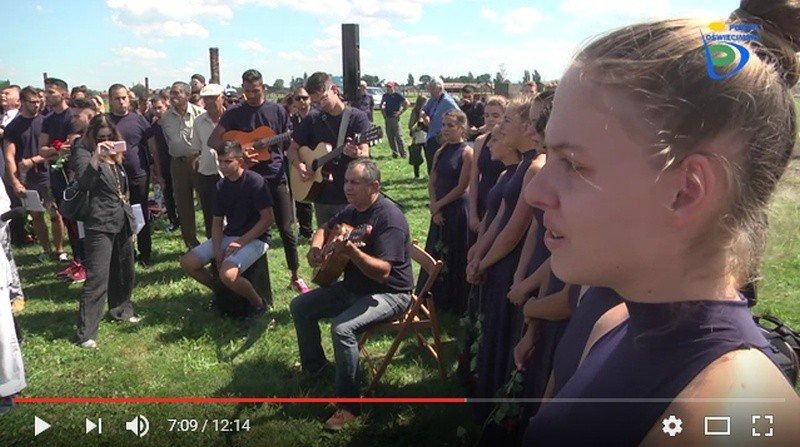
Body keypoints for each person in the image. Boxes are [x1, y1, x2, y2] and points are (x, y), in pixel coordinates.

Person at [524, 2, 800, 444]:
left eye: (572, 164)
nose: (534, 193)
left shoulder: (738, 417)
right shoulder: (611, 324)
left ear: (685, 191)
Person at [290, 158, 413, 431]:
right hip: (355, 287)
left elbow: (383, 273)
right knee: (300, 306)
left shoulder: (389, 217)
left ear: (375, 186)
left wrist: (353, 253)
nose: (347, 187)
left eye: (355, 182)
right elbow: (323, 227)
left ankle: (348, 407)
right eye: (346, 181)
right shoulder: (353, 209)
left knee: (342, 329)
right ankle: (317, 369)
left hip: (390, 294)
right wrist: (315, 247)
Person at [209, 69, 308, 294]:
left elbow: (289, 139)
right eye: (246, 91)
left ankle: (295, 275)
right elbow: (213, 140)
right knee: (249, 229)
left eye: (255, 91)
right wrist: (238, 154)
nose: (250, 96)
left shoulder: (277, 111)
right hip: (248, 182)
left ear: (264, 88)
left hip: (275, 176)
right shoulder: (234, 113)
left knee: (286, 228)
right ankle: (245, 278)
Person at [180, 140, 274, 323]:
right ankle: (220, 291)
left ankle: (258, 304)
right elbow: (216, 223)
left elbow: (267, 219)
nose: (223, 166)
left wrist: (241, 242)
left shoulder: (255, 181)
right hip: (229, 234)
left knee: (228, 274)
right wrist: (216, 250)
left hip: (257, 238)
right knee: (188, 263)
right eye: (220, 161)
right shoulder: (221, 186)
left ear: (239, 160)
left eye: (227, 161)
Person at [72, 115, 140, 349]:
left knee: (124, 269)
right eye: (101, 137)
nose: (106, 141)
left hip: (121, 219)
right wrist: (96, 157)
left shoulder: (116, 156)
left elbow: (122, 190)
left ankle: (121, 309)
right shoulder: (83, 153)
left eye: (109, 137)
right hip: (99, 222)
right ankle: (86, 332)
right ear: (92, 136)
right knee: (98, 278)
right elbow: (84, 183)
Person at [287, 71, 372, 225]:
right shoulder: (313, 119)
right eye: (316, 102)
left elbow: (365, 154)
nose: (321, 105)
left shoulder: (357, 117)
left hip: (349, 195)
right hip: (321, 195)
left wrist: (357, 153)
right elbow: (292, 149)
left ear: (334, 89)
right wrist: (300, 166)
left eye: (323, 99)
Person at [417, 109, 473, 314]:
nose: (446, 129)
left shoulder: (467, 152)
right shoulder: (440, 151)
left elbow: (462, 187)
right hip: (438, 209)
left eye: (451, 125)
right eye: (443, 125)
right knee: (436, 251)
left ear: (462, 127)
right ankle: (433, 298)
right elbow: (432, 182)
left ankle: (455, 302)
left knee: (456, 253)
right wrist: (434, 207)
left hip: (457, 209)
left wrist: (439, 205)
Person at [3, 86, 62, 261]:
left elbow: (56, 150)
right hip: (27, 177)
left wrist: (34, 160)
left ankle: (60, 250)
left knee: (55, 212)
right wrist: (15, 182)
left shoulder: (47, 122)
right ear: (22, 102)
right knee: (36, 214)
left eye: (38, 102)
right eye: (32, 102)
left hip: (48, 173)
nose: (36, 105)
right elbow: (9, 156)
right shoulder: (13, 127)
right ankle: (46, 250)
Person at [107, 84, 153, 266]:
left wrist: (155, 168)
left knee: (140, 213)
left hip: (137, 174)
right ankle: (126, 253)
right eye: (117, 98)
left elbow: (152, 143)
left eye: (124, 97)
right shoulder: (105, 122)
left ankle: (145, 253)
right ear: (110, 100)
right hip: (113, 176)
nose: (121, 101)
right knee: (118, 216)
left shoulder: (138, 119)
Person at [160, 81, 205, 250]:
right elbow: (167, 140)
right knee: (183, 204)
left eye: (177, 93)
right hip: (177, 164)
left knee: (208, 200)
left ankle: (216, 240)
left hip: (198, 161)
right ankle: (192, 244)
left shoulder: (200, 114)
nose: (173, 96)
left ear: (187, 95)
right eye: (172, 93)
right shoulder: (165, 118)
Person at [38, 78, 74, 265]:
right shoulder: (47, 120)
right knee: (62, 212)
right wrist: (56, 150)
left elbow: (70, 147)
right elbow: (41, 149)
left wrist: (52, 151)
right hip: (56, 173)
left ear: (64, 94)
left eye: (51, 92)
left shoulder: (72, 117)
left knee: (76, 215)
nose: (47, 95)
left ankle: (81, 258)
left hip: (72, 172)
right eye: (46, 91)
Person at [467, 96, 508, 233]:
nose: (490, 119)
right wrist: (472, 213)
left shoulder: (512, 143)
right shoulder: (480, 141)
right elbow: (473, 179)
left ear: (505, 116)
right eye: (486, 115)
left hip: (502, 201)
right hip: (482, 199)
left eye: (495, 115)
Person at [191, 84, 224, 239]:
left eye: (213, 98)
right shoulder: (198, 122)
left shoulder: (232, 118)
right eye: (206, 98)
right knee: (210, 217)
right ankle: (215, 257)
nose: (209, 102)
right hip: (207, 173)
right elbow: (197, 148)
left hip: (229, 173)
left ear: (222, 98)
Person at [146, 92, 179, 232]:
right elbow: (154, 150)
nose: (157, 111)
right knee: (168, 192)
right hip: (164, 163)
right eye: (154, 108)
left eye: (160, 107)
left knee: (180, 194)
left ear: (167, 105)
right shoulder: (153, 127)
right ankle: (173, 220)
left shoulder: (175, 122)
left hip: (177, 161)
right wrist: (157, 170)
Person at [289, 87, 314, 239]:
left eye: (305, 98)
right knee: (301, 196)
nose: (302, 101)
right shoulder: (291, 121)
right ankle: (306, 231)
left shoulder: (318, 117)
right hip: (298, 161)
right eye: (298, 99)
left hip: (317, 159)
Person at [420, 78, 458, 174]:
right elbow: (423, 110)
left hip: (441, 138)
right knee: (431, 168)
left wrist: (448, 132)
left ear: (440, 88)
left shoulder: (447, 101)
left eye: (433, 88)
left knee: (439, 168)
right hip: (431, 137)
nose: (430, 91)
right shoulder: (433, 100)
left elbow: (460, 117)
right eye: (429, 88)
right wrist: (425, 116)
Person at [380, 81, 409, 158]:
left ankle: (403, 154)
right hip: (387, 118)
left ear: (393, 87)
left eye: (390, 87)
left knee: (398, 136)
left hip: (394, 118)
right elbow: (381, 105)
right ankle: (395, 153)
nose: (388, 88)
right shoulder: (385, 96)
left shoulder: (397, 95)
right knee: (390, 136)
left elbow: (407, 103)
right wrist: (383, 113)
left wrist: (400, 112)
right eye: (387, 87)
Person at [407, 95, 428, 179]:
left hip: (426, 136)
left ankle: (430, 173)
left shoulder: (428, 111)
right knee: (416, 156)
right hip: (417, 136)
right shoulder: (415, 111)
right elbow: (410, 125)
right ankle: (416, 175)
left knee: (429, 156)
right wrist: (416, 126)